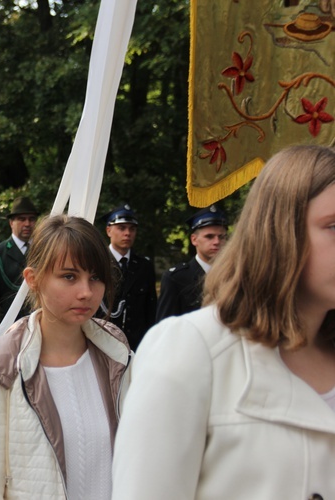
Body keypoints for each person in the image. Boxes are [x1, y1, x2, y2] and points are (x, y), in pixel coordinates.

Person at [112, 145, 335, 499]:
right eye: (333, 226)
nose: (215, 240)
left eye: (220, 234)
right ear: (280, 232)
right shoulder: (189, 348)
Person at [0, 214, 130, 499]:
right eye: (69, 276)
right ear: (33, 279)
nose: (86, 292)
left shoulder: (118, 354)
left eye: (95, 277)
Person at [96, 204, 156, 350]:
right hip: (102, 341)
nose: (128, 233)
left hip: (136, 344)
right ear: (109, 230)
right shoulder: (98, 263)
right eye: (121, 228)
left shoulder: (144, 266)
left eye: (132, 229)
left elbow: (151, 310)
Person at [155, 205, 228, 321]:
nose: (217, 242)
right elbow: (165, 327)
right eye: (209, 237)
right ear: (194, 239)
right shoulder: (176, 278)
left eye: (222, 237)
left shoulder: (233, 275)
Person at [0, 196, 39, 330]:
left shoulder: (43, 250)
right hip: (9, 328)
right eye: (21, 219)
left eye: (31, 219)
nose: (27, 224)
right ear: (11, 222)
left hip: (40, 326)